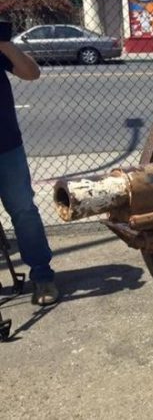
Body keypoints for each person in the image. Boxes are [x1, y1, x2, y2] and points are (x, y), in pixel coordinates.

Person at [0, 22, 59, 305]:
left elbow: (31, 73)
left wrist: (3, 42)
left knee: (23, 210)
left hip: (5, 144)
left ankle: (42, 275)